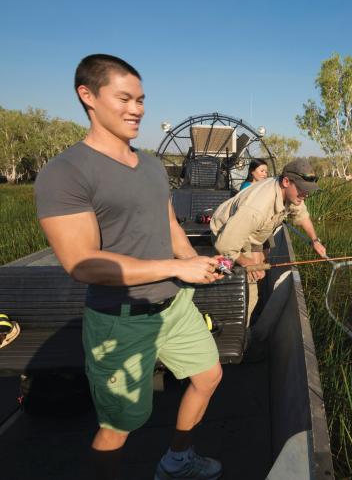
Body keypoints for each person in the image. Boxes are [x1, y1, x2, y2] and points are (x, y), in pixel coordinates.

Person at [34, 54, 224, 480]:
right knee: (118, 427)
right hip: (120, 322)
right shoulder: (64, 173)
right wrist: (174, 268)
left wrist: (195, 262)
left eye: (141, 99)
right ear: (88, 96)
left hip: (175, 308)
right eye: (124, 98)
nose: (137, 109)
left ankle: (177, 459)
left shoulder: (153, 166)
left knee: (208, 376)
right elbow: (83, 264)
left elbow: (169, 224)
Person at [210, 158, 327, 319]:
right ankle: (233, 317)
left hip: (249, 233)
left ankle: (228, 282)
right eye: (302, 189)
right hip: (226, 236)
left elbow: (301, 214)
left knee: (253, 271)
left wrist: (315, 240)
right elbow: (224, 245)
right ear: (286, 181)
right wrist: (250, 263)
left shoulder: (291, 193)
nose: (305, 194)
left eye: (308, 190)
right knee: (247, 296)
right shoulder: (256, 209)